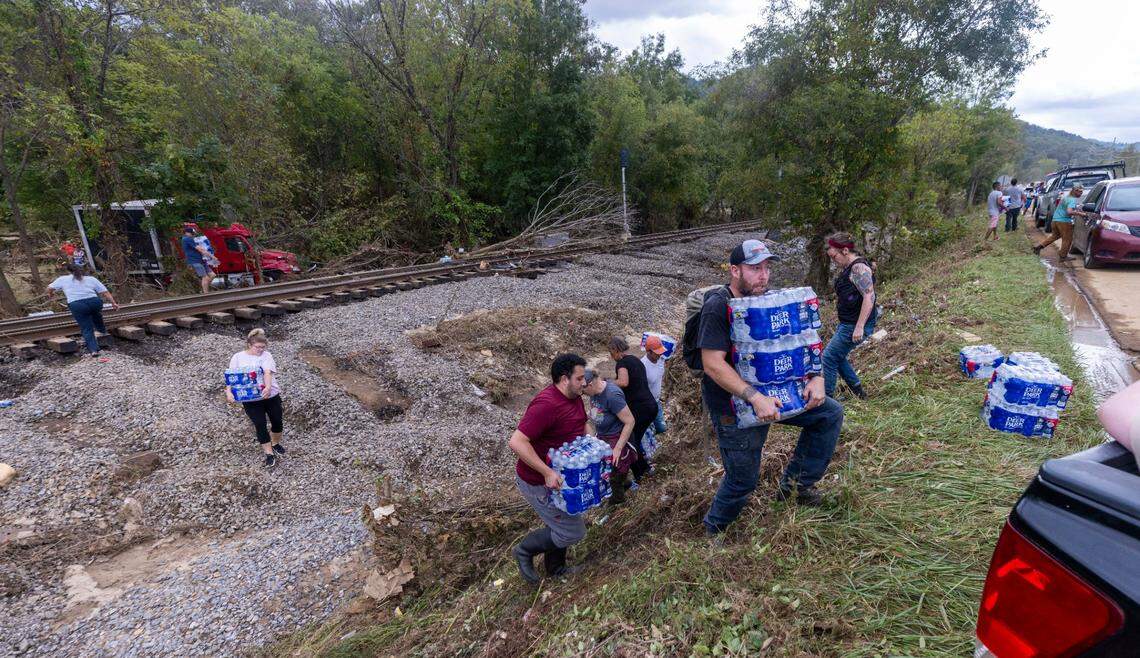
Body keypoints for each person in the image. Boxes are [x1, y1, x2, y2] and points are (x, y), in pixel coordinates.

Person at [697, 239, 844, 537]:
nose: (763, 275)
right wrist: (754, 397)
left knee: (828, 415)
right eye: (754, 269)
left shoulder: (766, 300)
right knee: (743, 479)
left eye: (766, 268)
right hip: (735, 406)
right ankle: (714, 529)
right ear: (735, 270)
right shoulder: (717, 306)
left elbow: (803, 339)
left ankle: (795, 487)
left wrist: (816, 376)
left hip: (777, 393)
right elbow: (712, 364)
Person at [508, 353, 589, 584]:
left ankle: (556, 568)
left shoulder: (575, 397)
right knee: (573, 531)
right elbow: (517, 442)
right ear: (565, 379)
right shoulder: (546, 405)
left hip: (562, 477)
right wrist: (547, 472)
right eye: (580, 378)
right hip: (537, 481)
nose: (585, 383)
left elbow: (581, 424)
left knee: (565, 515)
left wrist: (591, 446)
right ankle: (524, 551)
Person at [822, 233, 878, 400]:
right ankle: (859, 392)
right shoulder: (850, 268)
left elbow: (869, 297)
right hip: (848, 323)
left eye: (834, 257)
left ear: (845, 250)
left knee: (828, 358)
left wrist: (859, 326)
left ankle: (827, 402)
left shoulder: (858, 268)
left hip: (854, 324)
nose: (834, 261)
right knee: (837, 356)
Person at [227, 328, 287, 469]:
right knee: (260, 424)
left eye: (263, 347)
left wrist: (267, 387)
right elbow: (231, 377)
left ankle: (275, 443)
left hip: (270, 395)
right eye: (257, 347)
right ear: (249, 345)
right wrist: (229, 392)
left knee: (277, 421)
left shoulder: (267, 355)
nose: (260, 349)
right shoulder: (237, 357)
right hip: (251, 399)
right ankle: (269, 453)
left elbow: (267, 372)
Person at [583, 369, 637, 504]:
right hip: (603, 438)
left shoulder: (612, 395)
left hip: (617, 438)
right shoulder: (594, 392)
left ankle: (618, 502)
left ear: (589, 385)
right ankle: (625, 484)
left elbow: (630, 421)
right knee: (607, 470)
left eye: (582, 390)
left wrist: (618, 448)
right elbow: (600, 411)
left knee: (615, 473)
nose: (581, 394)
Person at [609, 336, 659, 482]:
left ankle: (642, 472)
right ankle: (643, 470)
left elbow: (624, 382)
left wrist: (608, 383)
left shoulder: (622, 363)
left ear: (616, 350)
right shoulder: (636, 360)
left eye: (611, 352)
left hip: (640, 408)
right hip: (650, 406)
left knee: (630, 441)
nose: (611, 356)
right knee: (634, 438)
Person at [46, 263, 119, 357]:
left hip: (77, 305)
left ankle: (94, 350)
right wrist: (113, 303)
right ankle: (102, 330)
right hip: (95, 302)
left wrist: (51, 294)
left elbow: (49, 288)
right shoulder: (91, 279)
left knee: (87, 328)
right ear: (82, 270)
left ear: (69, 271)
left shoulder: (63, 279)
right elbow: (105, 292)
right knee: (96, 313)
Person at [1033, 184, 1086, 261]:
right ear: (1075, 191)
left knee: (1054, 236)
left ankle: (1038, 247)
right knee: (1067, 239)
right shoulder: (1072, 200)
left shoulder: (1066, 198)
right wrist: (1081, 214)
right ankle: (1063, 256)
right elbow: (1069, 212)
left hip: (1055, 220)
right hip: (1064, 221)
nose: (1081, 193)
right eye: (1080, 192)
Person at [640, 335, 668, 435]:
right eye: (657, 352)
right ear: (649, 351)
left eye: (661, 351)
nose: (660, 354)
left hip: (657, 401)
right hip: (646, 404)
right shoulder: (642, 365)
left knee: (662, 428)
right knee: (648, 431)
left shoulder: (661, 359)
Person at [181, 226, 216, 294]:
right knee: (205, 277)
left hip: (201, 260)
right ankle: (206, 293)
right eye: (192, 233)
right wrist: (212, 256)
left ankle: (203, 289)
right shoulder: (187, 239)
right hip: (194, 261)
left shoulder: (191, 239)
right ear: (187, 233)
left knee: (212, 275)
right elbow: (200, 249)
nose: (193, 235)